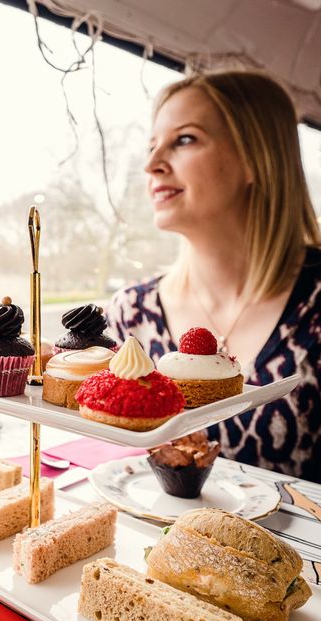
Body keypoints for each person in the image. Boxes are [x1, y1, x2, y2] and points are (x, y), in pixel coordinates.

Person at [106, 70, 321, 482]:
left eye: (184, 139)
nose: (151, 165)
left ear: (257, 157)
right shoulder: (128, 315)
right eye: (152, 146)